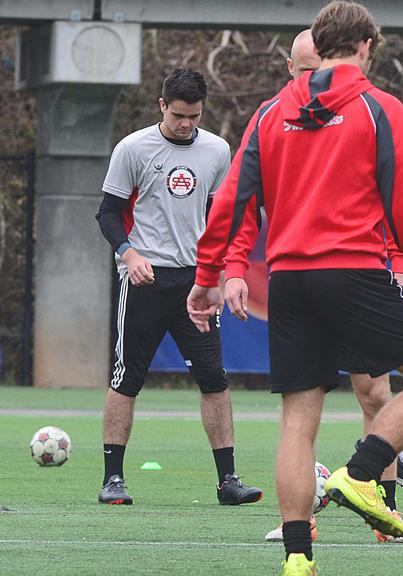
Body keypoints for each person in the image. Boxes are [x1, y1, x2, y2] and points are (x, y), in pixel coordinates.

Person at [186, 3, 403, 574]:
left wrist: (208, 275)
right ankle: (361, 475)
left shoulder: (268, 114)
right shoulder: (379, 108)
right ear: (363, 45)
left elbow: (232, 200)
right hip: (355, 273)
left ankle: (297, 558)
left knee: (297, 421)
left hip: (289, 282)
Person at [261, 28, 403, 545]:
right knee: (301, 417)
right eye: (304, 72)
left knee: (374, 392)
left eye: (317, 69)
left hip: (346, 272)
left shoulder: (366, 112)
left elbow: (390, 201)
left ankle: (383, 512)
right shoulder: (278, 115)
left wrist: (400, 262)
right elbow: (244, 199)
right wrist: (229, 268)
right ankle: (299, 524)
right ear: (293, 68)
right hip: (325, 276)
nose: (314, 79)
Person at [92, 68, 263, 507]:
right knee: (127, 378)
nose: (186, 123)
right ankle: (113, 480)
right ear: (162, 106)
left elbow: (220, 216)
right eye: (179, 115)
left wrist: (220, 271)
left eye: (195, 116)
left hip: (197, 281)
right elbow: (108, 214)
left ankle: (228, 481)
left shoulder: (217, 151)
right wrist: (130, 255)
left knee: (214, 379)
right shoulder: (132, 148)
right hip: (145, 281)